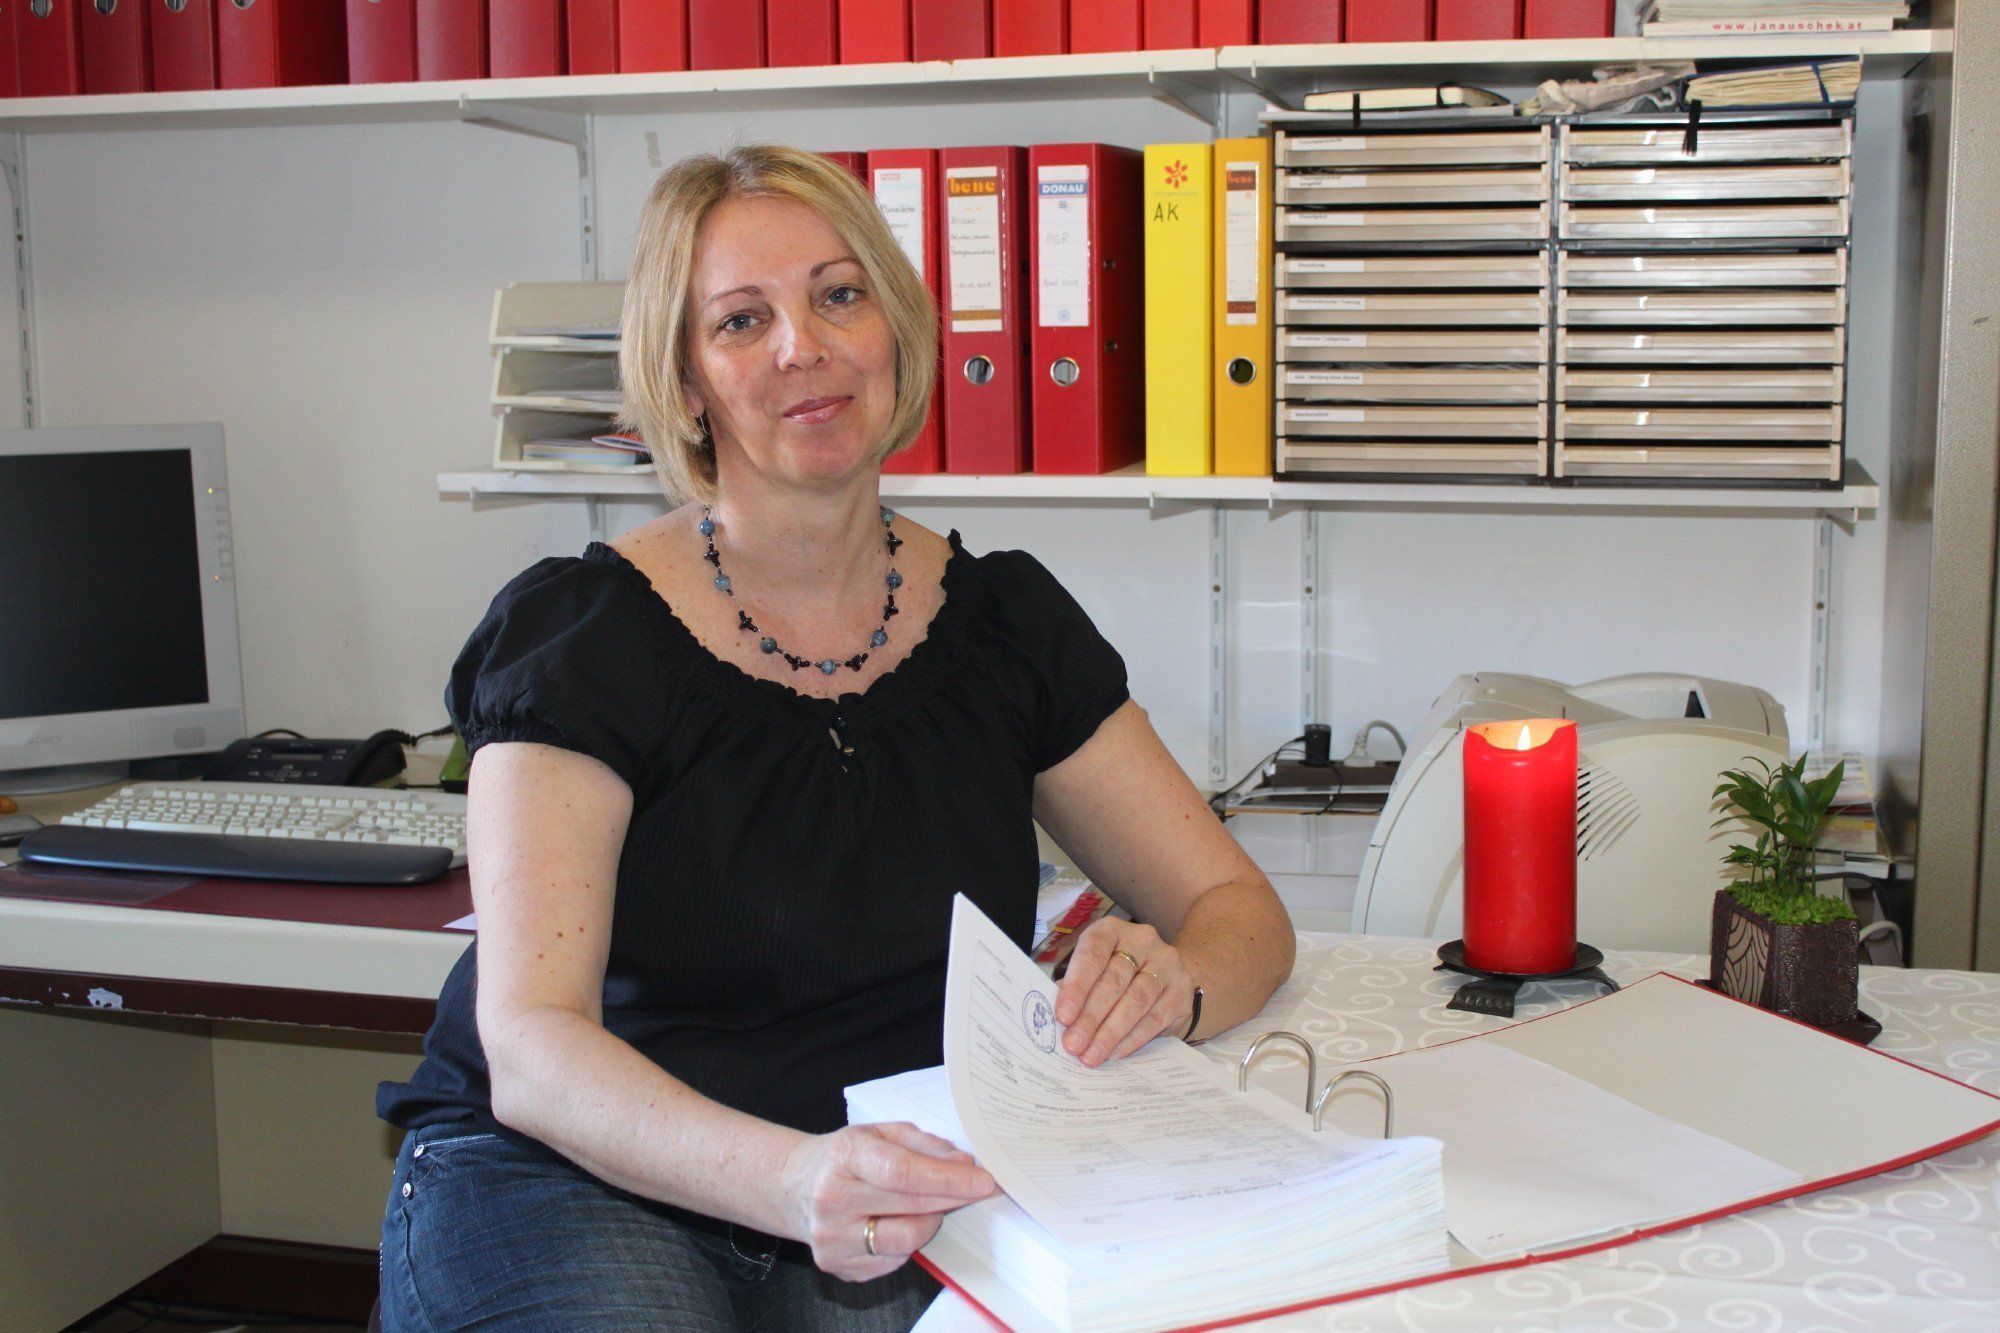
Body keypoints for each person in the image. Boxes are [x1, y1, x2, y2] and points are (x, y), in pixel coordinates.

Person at [375, 143, 1296, 1331]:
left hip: (885, 1176)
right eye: (741, 320)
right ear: (686, 381)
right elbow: (532, 1045)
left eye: (838, 295)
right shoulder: (582, 636)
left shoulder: (1004, 624)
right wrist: (790, 1179)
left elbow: (1235, 906)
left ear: (894, 331)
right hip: (574, 1178)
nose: (800, 347)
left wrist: (1175, 982)